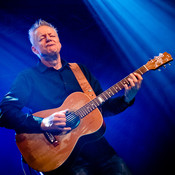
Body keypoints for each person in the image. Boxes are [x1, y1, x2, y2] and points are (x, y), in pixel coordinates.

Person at [0, 19, 143, 175]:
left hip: (103, 153)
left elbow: (103, 107)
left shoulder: (80, 70)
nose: (48, 38)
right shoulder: (28, 77)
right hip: (63, 161)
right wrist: (44, 123)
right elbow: (5, 112)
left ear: (59, 43)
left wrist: (127, 99)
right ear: (34, 50)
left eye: (51, 35)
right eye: (42, 38)